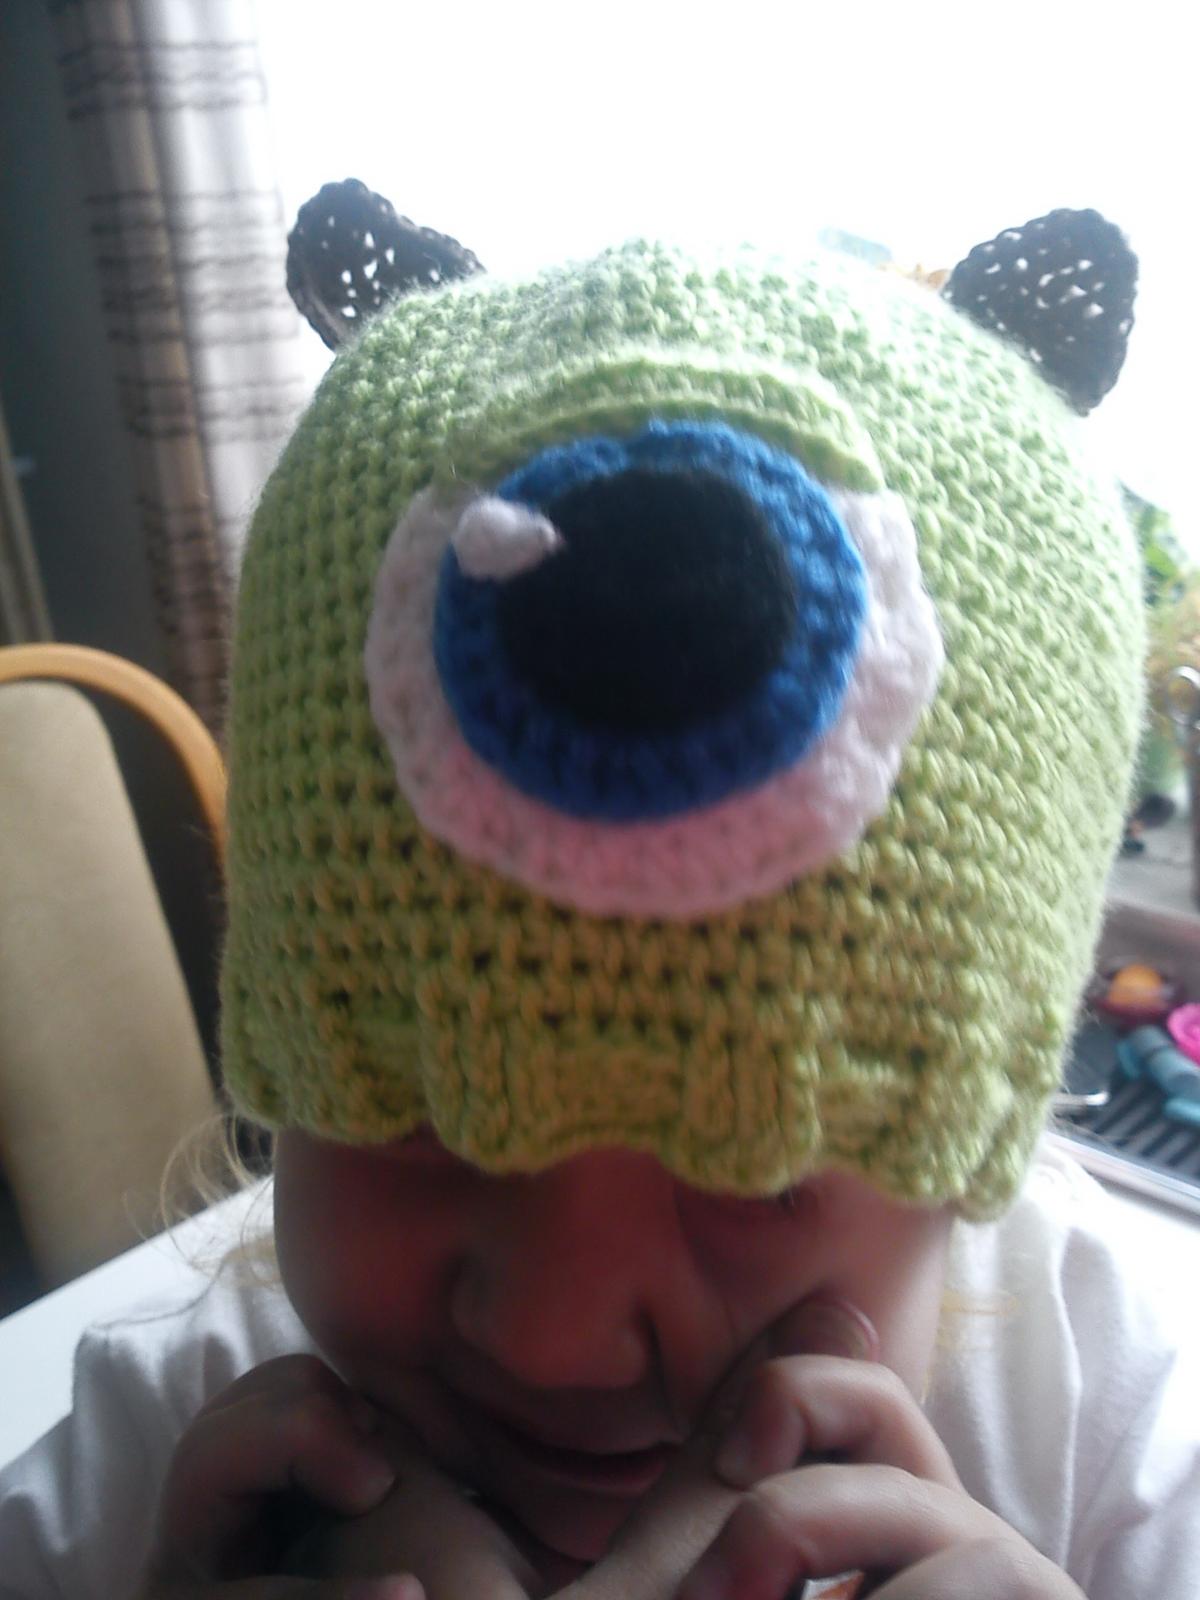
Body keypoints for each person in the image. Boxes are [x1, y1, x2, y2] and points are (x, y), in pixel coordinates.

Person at [2, 194, 1195, 1600]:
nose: (556, 1338)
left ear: (966, 1146)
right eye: (423, 1119)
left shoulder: (1116, 1439)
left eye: (751, 1165)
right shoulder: (164, 1443)